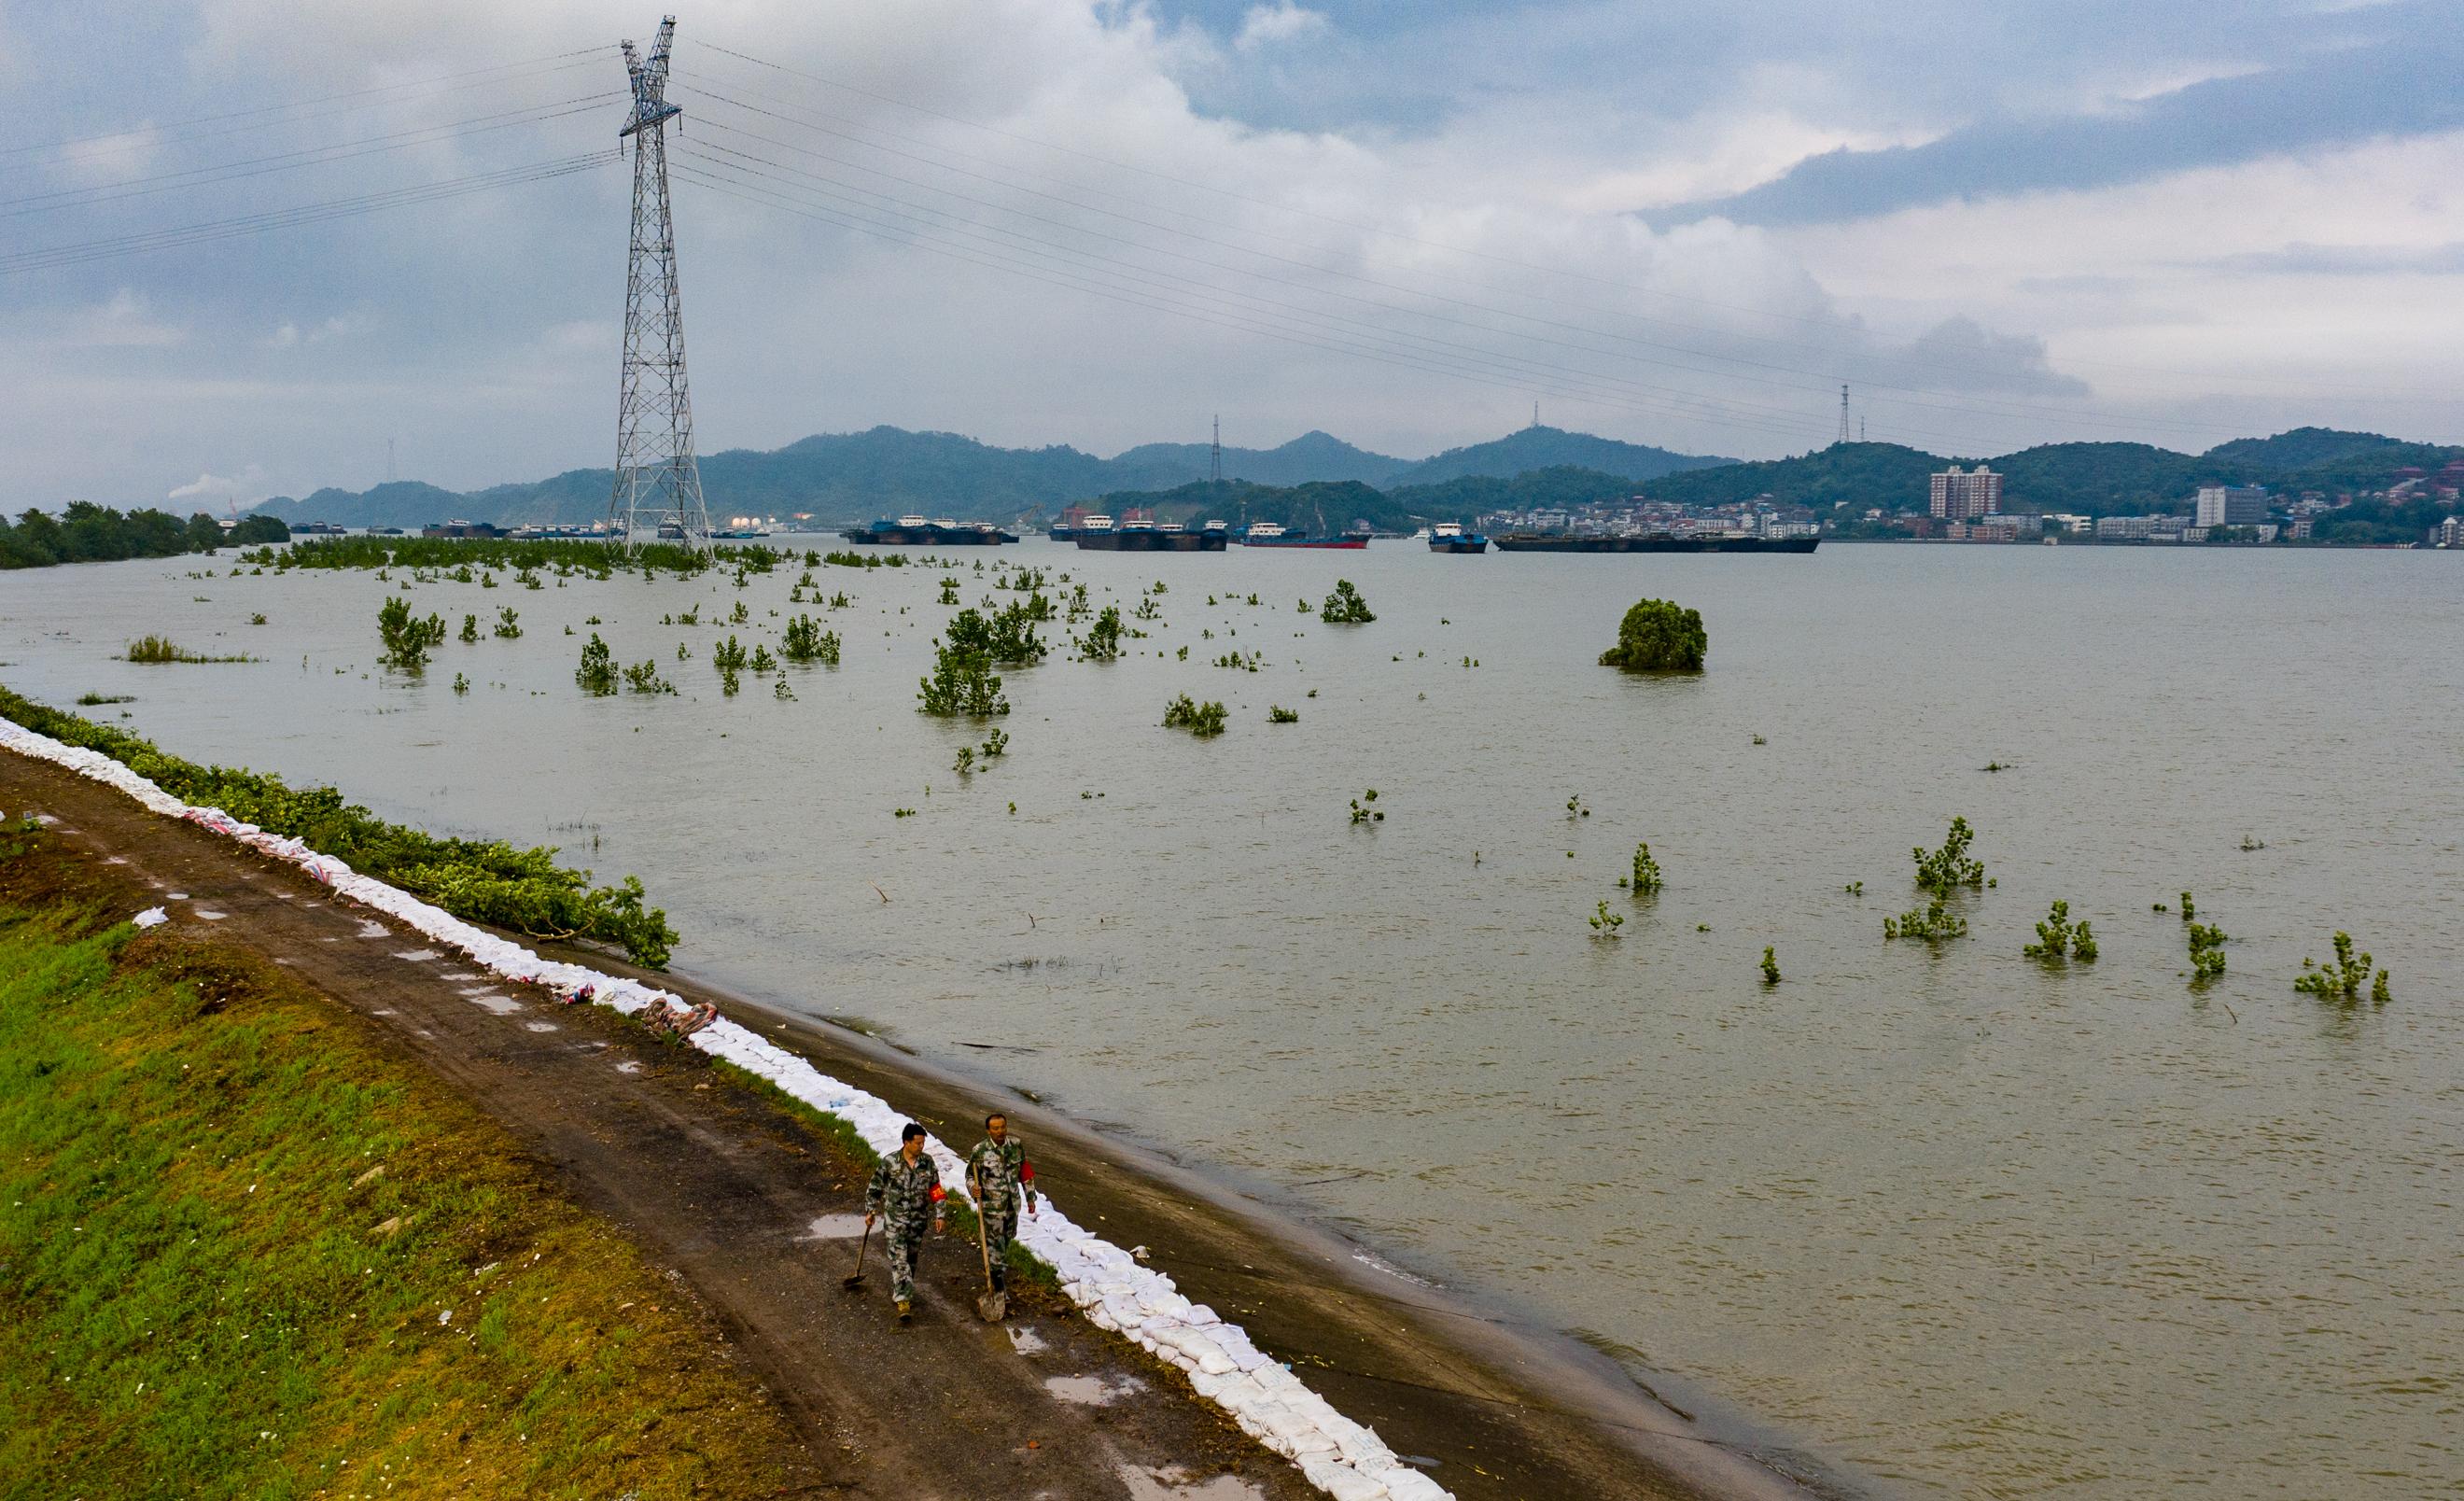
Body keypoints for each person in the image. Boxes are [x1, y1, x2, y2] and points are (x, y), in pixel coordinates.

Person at [864, 1122, 945, 1321]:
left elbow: (936, 1189)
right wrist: (870, 1210)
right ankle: (903, 1300)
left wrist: (940, 1214)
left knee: (910, 1260)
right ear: (906, 1142)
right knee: (900, 1260)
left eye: (923, 1143)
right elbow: (875, 1187)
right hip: (896, 1221)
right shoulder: (890, 1162)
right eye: (917, 1143)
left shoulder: (927, 1163)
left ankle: (903, 1288)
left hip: (918, 1221)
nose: (921, 1147)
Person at [965, 1113, 1037, 1295]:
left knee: (1006, 1241)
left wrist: (1030, 1197)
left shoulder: (1016, 1146)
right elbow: (970, 1176)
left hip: (1012, 1205)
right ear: (989, 1130)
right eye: (995, 1128)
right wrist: (974, 1188)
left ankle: (998, 1273)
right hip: (991, 1208)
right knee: (995, 1246)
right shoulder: (980, 1151)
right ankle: (998, 1287)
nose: (1000, 1132)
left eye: (1002, 1127)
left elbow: (1025, 1172)